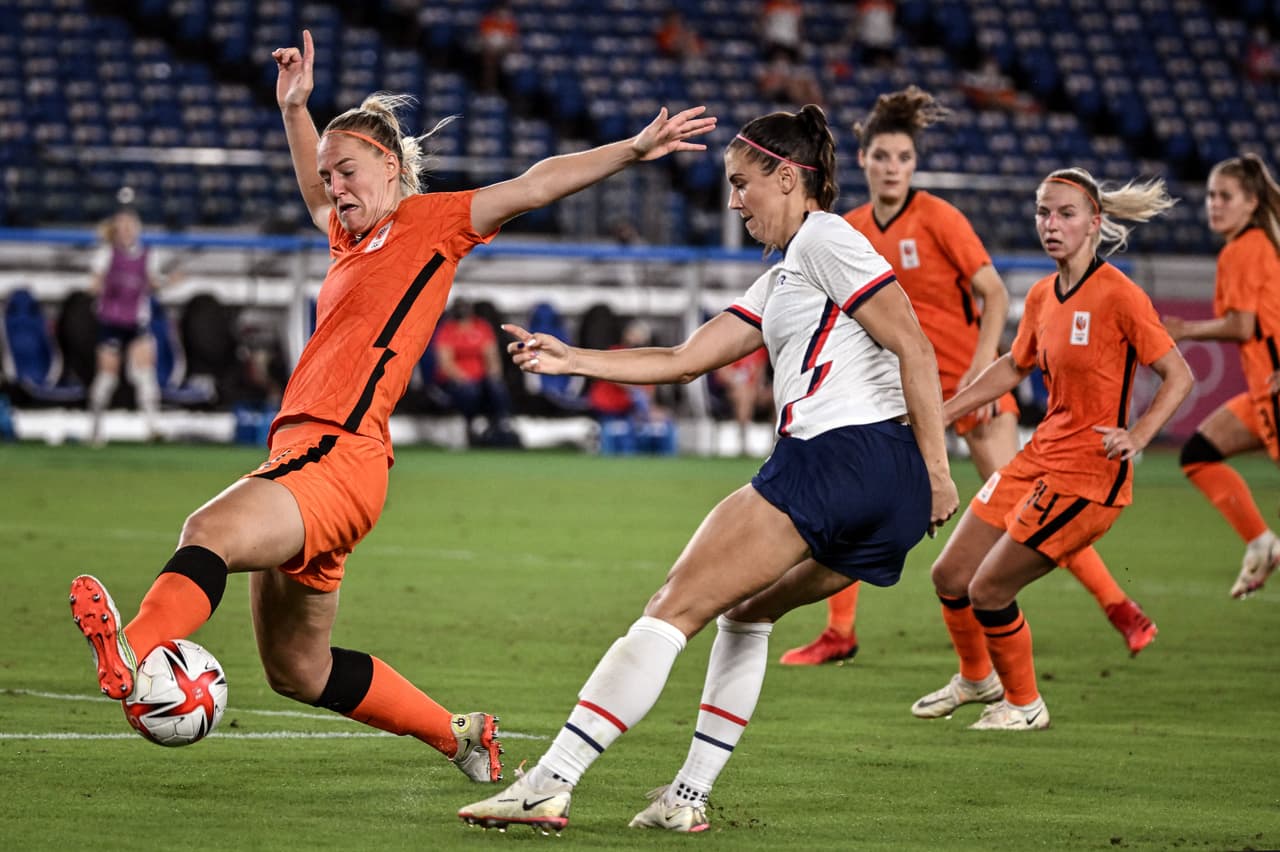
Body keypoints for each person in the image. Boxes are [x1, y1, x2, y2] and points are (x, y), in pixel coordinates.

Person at [67, 29, 714, 783]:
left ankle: (133, 651)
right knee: (298, 671)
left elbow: (537, 183)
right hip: (321, 462)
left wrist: (633, 149)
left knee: (207, 529)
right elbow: (316, 187)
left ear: (392, 164)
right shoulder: (348, 237)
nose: (335, 188)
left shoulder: (434, 223)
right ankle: (464, 735)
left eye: (348, 172)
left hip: (337, 454)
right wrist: (295, 111)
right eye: (328, 178)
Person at [457, 104, 959, 833]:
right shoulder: (789, 274)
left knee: (672, 608)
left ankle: (548, 782)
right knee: (746, 612)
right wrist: (572, 358)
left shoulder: (825, 237)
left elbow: (914, 345)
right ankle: (685, 800)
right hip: (888, 491)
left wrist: (943, 471)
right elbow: (683, 361)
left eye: (741, 183)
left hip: (839, 457)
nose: (732, 202)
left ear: (788, 178)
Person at [781, 87, 1159, 666]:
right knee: (857, 502)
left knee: (1029, 504)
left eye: (904, 158)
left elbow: (992, 291)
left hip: (970, 386)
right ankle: (840, 631)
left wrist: (981, 372)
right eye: (882, 156)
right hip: (904, 393)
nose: (892, 168)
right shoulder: (848, 228)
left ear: (915, 163)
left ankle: (1119, 608)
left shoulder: (938, 217)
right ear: (862, 159)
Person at [911, 167, 1193, 731]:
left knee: (989, 588)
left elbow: (1178, 375)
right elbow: (1014, 366)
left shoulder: (1120, 295)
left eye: (1065, 213)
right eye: (1043, 212)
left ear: (1095, 222)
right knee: (950, 575)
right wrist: (945, 410)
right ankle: (976, 678)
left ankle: (1024, 704)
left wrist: (1137, 437)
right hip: (1037, 458)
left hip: (1089, 477)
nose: (1051, 223)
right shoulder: (1042, 295)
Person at [1161, 154, 1280, 598]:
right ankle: (1262, 542)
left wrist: (1185, 330)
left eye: (1225, 196)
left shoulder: (1245, 249)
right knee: (1198, 453)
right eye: (1210, 195)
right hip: (1263, 392)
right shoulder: (1256, 245)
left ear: (1251, 202)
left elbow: (1243, 326)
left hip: (1274, 391)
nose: (1214, 204)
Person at [86, 207, 171, 447]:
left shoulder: (147, 255)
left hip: (136, 323)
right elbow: (94, 283)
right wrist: (95, 288)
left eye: (130, 226)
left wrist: (167, 282)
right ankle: (95, 430)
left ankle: (152, 428)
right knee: (106, 378)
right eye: (122, 227)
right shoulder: (106, 254)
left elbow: (153, 283)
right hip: (111, 323)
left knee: (145, 375)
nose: (126, 231)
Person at [433, 299, 517, 447]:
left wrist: (493, 375)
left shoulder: (481, 327)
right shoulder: (447, 329)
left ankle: (502, 425)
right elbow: (446, 363)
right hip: (457, 381)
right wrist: (463, 378)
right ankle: (471, 424)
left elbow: (491, 356)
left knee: (496, 387)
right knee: (469, 391)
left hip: (481, 379)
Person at [587, 319, 677, 455]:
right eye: (634, 335)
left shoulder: (648, 361)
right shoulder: (614, 354)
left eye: (642, 337)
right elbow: (618, 376)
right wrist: (638, 394)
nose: (637, 340)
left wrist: (652, 409)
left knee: (663, 423)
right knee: (625, 429)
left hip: (631, 412)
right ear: (626, 335)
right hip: (609, 409)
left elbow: (647, 393)